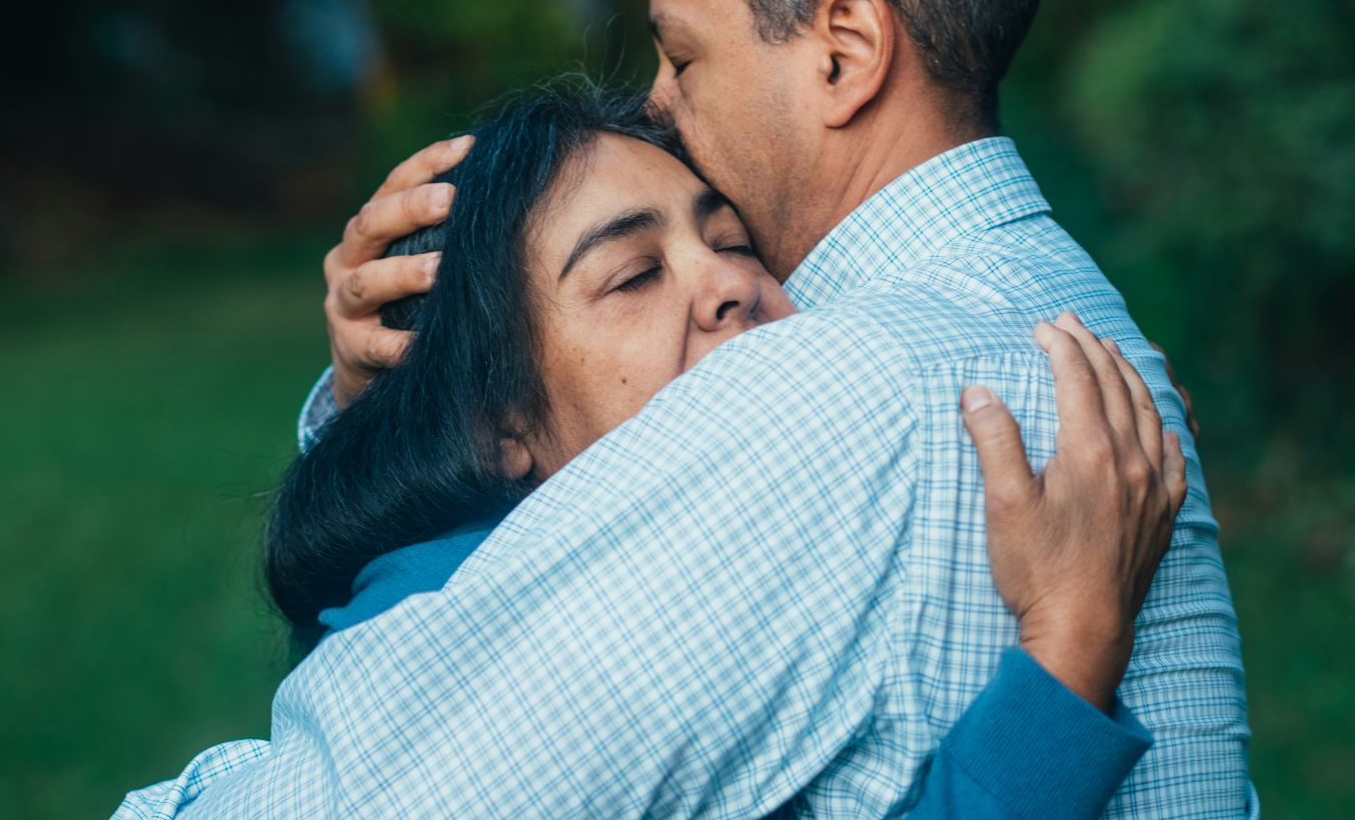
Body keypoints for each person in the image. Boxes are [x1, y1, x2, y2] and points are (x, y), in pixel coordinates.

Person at [122, 0, 1251, 817]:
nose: (658, 106)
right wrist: (394, 406)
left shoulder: (833, 390)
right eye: (633, 271)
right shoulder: (1068, 328)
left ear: (845, 53)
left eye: (682, 57)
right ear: (497, 421)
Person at [233, 86, 1178, 820]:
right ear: (498, 426)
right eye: (634, 275)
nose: (728, 280)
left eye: (733, 240)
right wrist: (1071, 644)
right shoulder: (539, 669)